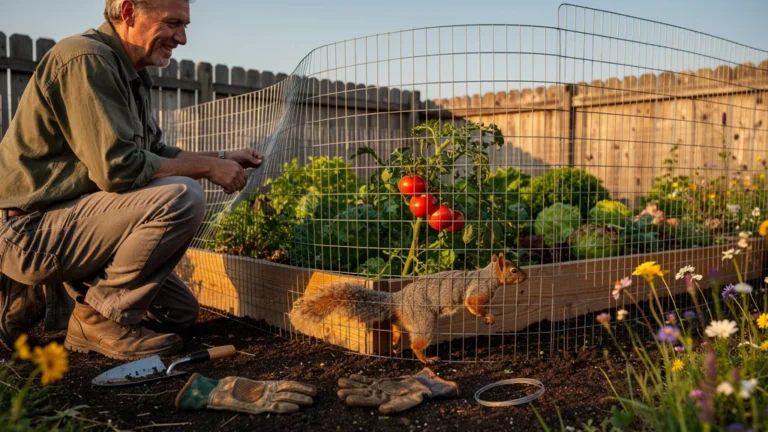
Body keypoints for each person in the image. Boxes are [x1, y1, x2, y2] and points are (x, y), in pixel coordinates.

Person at [0, 0, 264, 360]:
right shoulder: (86, 59)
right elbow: (119, 169)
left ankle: (45, 296)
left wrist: (221, 158)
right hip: (29, 231)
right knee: (183, 196)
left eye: (185, 25)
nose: (182, 38)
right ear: (128, 12)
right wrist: (206, 170)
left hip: (70, 221)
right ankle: (96, 320)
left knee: (179, 313)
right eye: (173, 23)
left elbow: (156, 152)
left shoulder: (129, 73)